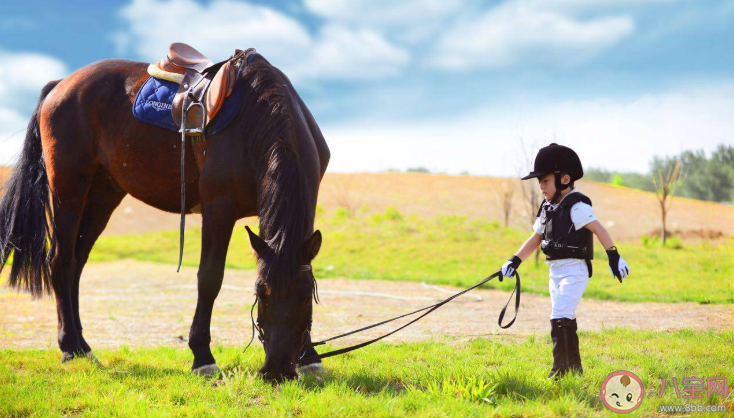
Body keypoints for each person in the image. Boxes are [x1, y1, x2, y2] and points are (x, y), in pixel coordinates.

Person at [500, 143, 630, 379]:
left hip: (574, 270)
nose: (541, 187)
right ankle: (574, 369)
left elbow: (599, 229)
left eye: (545, 181)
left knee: (559, 315)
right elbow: (535, 239)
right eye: (539, 182)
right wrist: (514, 261)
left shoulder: (577, 207)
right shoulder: (547, 208)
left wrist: (614, 256)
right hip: (555, 272)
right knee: (564, 316)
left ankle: (559, 370)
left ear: (564, 179)